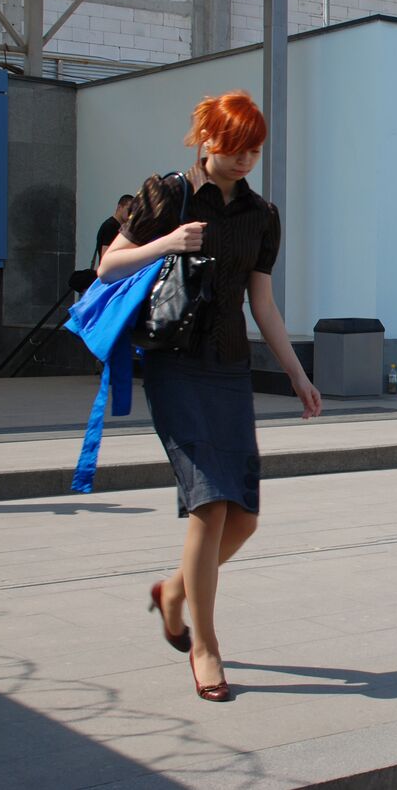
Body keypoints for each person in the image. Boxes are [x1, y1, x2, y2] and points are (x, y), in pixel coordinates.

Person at [98, 90, 321, 702]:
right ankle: (205, 646)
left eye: (254, 149)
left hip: (228, 367)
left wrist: (296, 373)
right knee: (210, 503)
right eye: (234, 146)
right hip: (173, 364)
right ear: (206, 140)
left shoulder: (262, 215)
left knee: (244, 517)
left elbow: (262, 303)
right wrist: (167, 242)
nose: (245, 158)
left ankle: (174, 591)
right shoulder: (167, 194)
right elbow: (109, 265)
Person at [95, 194, 134, 264]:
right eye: (129, 209)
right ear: (119, 207)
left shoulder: (120, 226)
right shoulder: (110, 226)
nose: (131, 214)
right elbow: (105, 257)